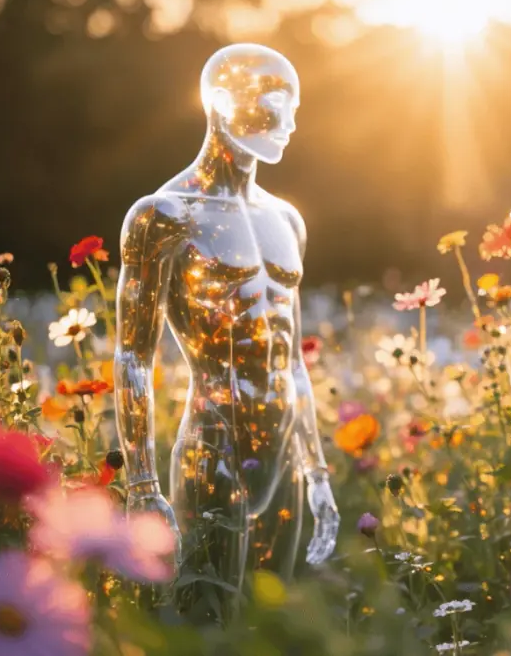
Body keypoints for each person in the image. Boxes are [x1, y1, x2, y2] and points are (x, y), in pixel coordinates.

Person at [114, 44, 338, 614]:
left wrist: (317, 471)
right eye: (272, 106)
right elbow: (133, 356)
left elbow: (291, 359)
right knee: (207, 623)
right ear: (218, 103)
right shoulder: (163, 216)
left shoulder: (287, 219)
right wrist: (142, 485)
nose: (289, 124)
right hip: (215, 442)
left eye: (295, 109)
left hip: (283, 446)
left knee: (275, 623)